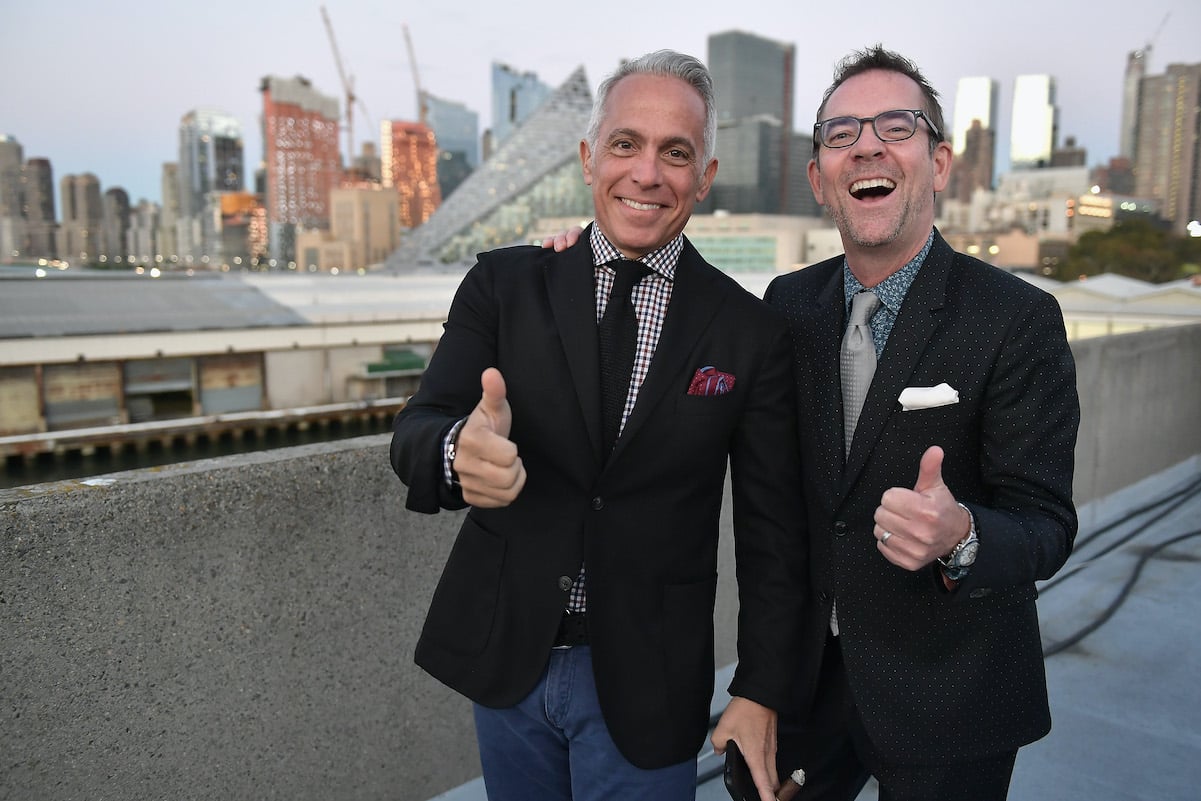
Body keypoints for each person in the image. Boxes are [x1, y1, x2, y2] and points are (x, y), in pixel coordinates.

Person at [390, 50, 806, 801]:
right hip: (509, 659)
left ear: (703, 178)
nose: (646, 174)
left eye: (675, 153)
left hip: (650, 676)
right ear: (588, 158)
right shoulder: (503, 285)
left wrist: (760, 686)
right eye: (625, 144)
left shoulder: (750, 334)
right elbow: (416, 428)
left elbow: (772, 531)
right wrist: (459, 453)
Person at [761, 46, 1080, 800]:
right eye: (839, 134)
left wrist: (961, 533)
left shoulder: (1016, 318)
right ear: (818, 179)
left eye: (894, 125)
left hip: (953, 695)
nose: (865, 144)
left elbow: (1044, 523)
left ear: (937, 162)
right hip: (808, 691)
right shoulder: (786, 306)